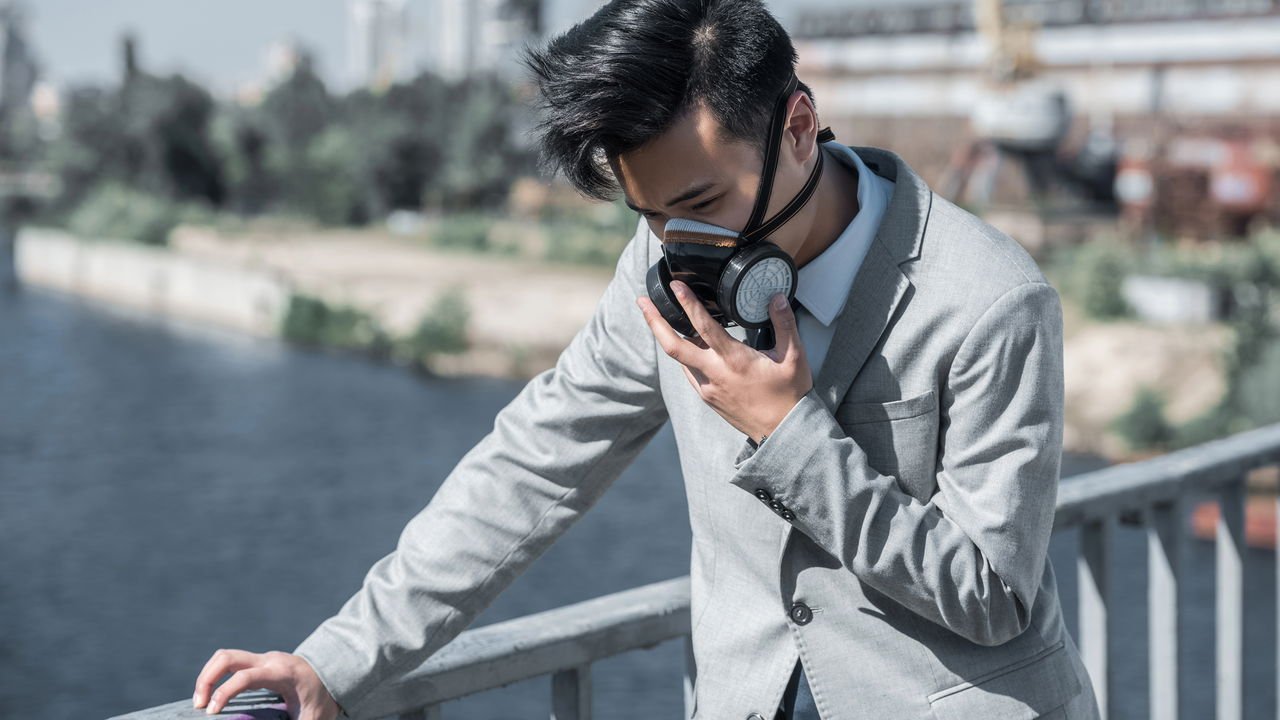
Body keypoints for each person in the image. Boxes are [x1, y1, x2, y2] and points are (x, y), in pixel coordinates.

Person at [193, 1, 1102, 718]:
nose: (678, 244)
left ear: (797, 127)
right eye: (650, 213)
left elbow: (994, 596)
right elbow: (536, 461)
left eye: (701, 202)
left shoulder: (989, 299)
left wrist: (790, 434)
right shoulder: (665, 258)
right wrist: (336, 661)